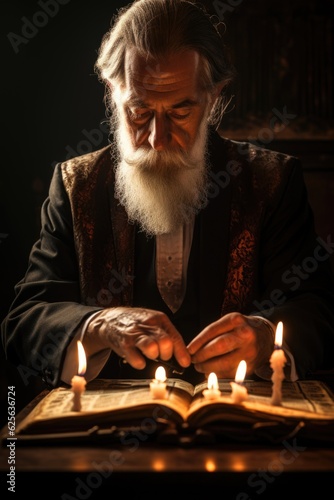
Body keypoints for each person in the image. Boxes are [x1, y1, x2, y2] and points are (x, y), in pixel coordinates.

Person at [2, 0, 334, 391]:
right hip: (99, 434)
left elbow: (320, 312)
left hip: (241, 435)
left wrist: (263, 338)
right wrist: (99, 325)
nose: (158, 140)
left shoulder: (273, 181)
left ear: (213, 97)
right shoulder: (76, 185)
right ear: (113, 91)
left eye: (180, 112)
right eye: (140, 111)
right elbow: (24, 321)